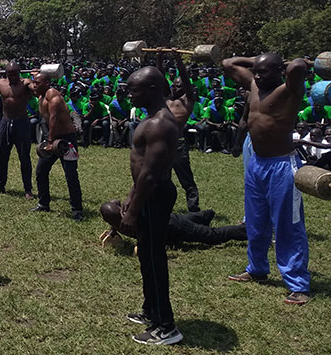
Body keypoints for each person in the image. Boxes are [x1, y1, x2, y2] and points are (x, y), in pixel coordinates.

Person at [222, 53, 310, 305]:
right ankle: (257, 268)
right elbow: (228, 63)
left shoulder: (290, 91)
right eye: (256, 71)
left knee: (287, 224)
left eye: (264, 72)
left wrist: (289, 63)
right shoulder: (252, 84)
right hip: (257, 164)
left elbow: (295, 68)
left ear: (279, 72)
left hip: (283, 165)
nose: (258, 76)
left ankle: (298, 284)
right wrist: (258, 60)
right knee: (256, 219)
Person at [120, 66, 182, 345]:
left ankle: (166, 327)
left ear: (153, 90)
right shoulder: (152, 119)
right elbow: (143, 169)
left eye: (135, 89)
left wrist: (133, 210)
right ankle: (151, 311)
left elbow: (151, 174)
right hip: (147, 193)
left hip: (155, 195)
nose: (130, 94)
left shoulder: (160, 124)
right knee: (145, 254)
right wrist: (133, 196)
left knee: (155, 259)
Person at [30, 72, 83, 220]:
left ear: (47, 83)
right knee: (41, 171)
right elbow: (25, 82)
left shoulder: (54, 96)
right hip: (52, 138)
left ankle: (77, 209)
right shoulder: (40, 96)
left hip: (66, 140)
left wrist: (49, 141)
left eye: (38, 83)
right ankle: (43, 204)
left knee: (71, 174)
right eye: (34, 83)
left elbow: (54, 119)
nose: (34, 86)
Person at [0, 62, 34, 198]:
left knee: (24, 157)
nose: (12, 77)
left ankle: (27, 189)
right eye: (10, 75)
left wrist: (36, 76)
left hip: (21, 122)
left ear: (19, 73)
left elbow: (38, 90)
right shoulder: (1, 83)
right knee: (2, 156)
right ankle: (0, 185)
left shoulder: (26, 82)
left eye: (15, 74)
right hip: (5, 122)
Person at [158, 49, 201, 212]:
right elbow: (161, 79)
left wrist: (178, 60)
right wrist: (159, 58)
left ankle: (194, 209)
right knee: (163, 178)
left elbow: (185, 79)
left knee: (186, 180)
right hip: (163, 144)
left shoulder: (188, 100)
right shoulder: (167, 98)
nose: (175, 88)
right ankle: (163, 207)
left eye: (178, 86)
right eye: (174, 86)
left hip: (178, 144)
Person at [100, 200, 246, 246]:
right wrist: (113, 230)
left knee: (213, 236)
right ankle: (206, 215)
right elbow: (114, 209)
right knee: (191, 218)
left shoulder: (134, 219)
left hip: (176, 228)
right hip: (172, 221)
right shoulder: (120, 219)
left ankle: (244, 230)